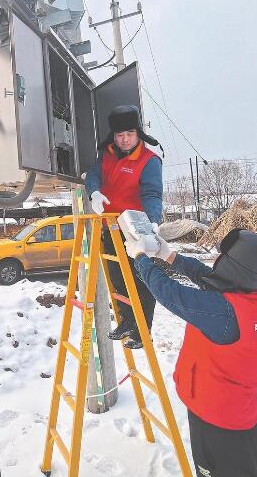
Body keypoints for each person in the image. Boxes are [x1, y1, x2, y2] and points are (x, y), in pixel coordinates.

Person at [124, 228, 257, 477]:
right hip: (235, 414)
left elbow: (171, 294)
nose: (217, 260)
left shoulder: (224, 313)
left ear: (234, 266)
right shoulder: (252, 300)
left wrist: (141, 258)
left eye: (223, 257)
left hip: (218, 423)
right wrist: (169, 255)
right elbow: (207, 276)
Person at [85, 104, 163, 349]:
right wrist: (94, 192)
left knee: (140, 280)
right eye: (120, 135)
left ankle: (143, 331)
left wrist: (153, 220)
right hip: (111, 227)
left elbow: (152, 193)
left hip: (136, 230)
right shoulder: (107, 154)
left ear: (138, 133)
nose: (125, 139)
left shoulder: (149, 161)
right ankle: (127, 321)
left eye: (130, 133)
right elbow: (93, 174)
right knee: (118, 278)